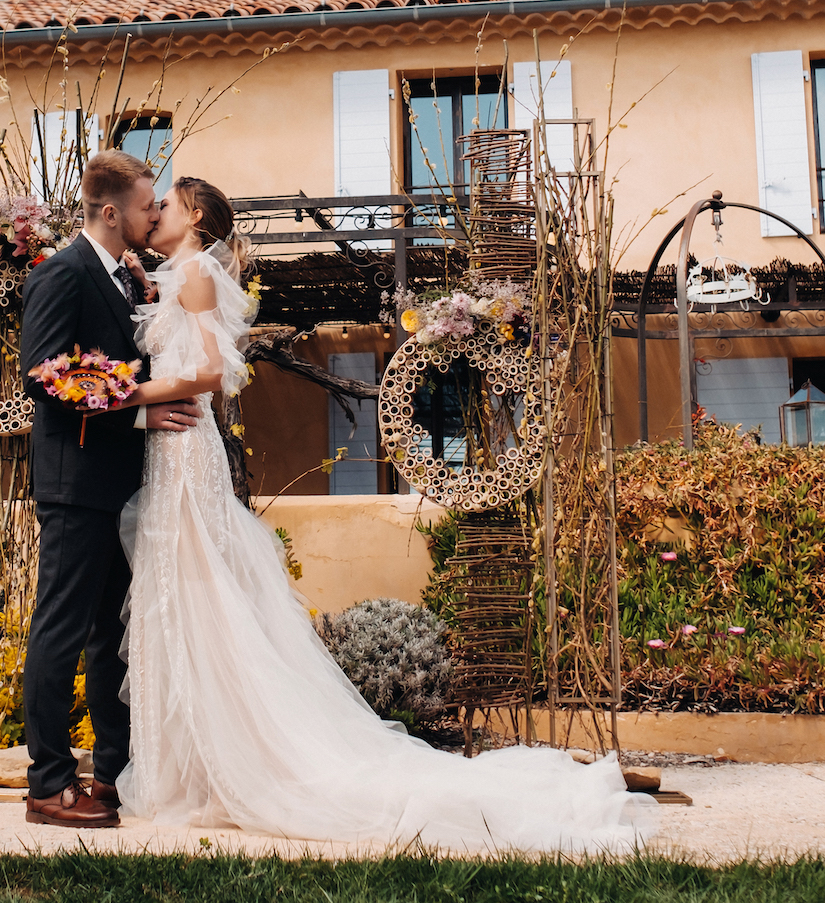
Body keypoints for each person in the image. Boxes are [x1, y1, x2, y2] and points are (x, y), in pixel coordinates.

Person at [106, 175, 659, 853]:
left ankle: (227, 764)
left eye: (164, 204)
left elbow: (217, 366)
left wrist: (131, 390)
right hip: (175, 447)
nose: (153, 213)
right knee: (187, 597)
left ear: (193, 214)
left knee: (198, 596)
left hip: (185, 450)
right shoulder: (180, 272)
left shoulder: (192, 274)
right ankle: (201, 765)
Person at [17, 150, 203, 829]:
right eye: (145, 204)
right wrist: (135, 406)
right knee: (60, 630)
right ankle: (48, 782)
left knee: (109, 636)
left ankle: (114, 771)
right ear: (109, 211)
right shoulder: (60, 273)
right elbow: (43, 371)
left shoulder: (125, 277)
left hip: (120, 482)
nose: (153, 214)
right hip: (75, 480)